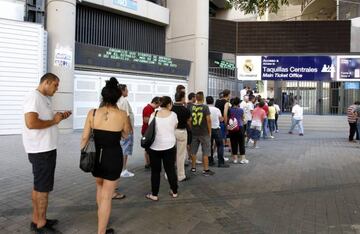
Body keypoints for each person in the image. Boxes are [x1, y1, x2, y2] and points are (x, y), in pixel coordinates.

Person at [81, 77, 130, 234]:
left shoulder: (92, 113)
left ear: (103, 96)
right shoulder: (122, 115)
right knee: (107, 196)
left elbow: (84, 139)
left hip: (96, 157)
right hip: (113, 157)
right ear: (118, 97)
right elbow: (125, 134)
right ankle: (102, 231)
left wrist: (84, 153)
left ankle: (102, 222)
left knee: (99, 188)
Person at [23, 73, 71, 233]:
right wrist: (54, 121)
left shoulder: (44, 98)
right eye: (55, 85)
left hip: (45, 149)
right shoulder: (34, 97)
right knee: (43, 188)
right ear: (47, 82)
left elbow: (45, 120)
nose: (57, 89)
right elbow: (31, 123)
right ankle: (41, 225)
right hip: (41, 150)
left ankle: (36, 219)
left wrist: (59, 117)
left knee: (39, 186)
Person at [146, 96, 178, 201]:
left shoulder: (153, 114)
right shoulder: (173, 115)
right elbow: (175, 126)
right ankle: (174, 192)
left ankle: (154, 195)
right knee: (170, 169)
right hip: (169, 145)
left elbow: (150, 127)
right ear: (169, 104)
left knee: (155, 171)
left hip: (155, 146)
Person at [190, 91, 215, 176]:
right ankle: (206, 170)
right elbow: (208, 120)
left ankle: (193, 168)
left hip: (194, 133)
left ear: (196, 98)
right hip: (204, 133)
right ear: (203, 98)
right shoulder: (205, 107)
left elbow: (189, 120)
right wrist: (210, 132)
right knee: (205, 152)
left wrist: (191, 128)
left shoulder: (191, 107)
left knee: (193, 151)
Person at [171, 91, 191, 181]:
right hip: (182, 132)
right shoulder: (185, 110)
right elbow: (189, 122)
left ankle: (169, 175)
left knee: (170, 154)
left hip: (171, 132)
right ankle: (180, 176)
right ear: (183, 98)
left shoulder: (170, 108)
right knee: (181, 155)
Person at [117, 84, 135, 178]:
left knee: (121, 148)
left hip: (119, 128)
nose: (127, 91)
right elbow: (126, 116)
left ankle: (120, 168)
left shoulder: (117, 100)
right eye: (126, 90)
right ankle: (123, 170)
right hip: (125, 129)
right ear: (122, 91)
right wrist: (130, 129)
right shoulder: (123, 101)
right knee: (125, 148)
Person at [207, 96, 229, 168]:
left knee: (209, 146)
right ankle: (221, 162)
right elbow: (221, 119)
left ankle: (210, 161)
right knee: (220, 145)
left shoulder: (205, 109)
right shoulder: (217, 110)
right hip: (216, 129)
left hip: (208, 130)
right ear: (213, 101)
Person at [225, 97, 248, 164]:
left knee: (233, 143)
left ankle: (235, 159)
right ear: (238, 103)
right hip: (240, 127)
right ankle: (243, 159)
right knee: (241, 143)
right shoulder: (241, 110)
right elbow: (243, 119)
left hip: (232, 128)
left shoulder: (230, 110)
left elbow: (227, 118)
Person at [141, 97, 160, 168]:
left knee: (148, 147)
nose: (159, 106)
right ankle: (148, 163)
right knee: (147, 147)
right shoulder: (148, 108)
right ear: (156, 102)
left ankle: (149, 162)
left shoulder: (152, 109)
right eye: (159, 104)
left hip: (148, 131)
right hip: (146, 131)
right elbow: (146, 120)